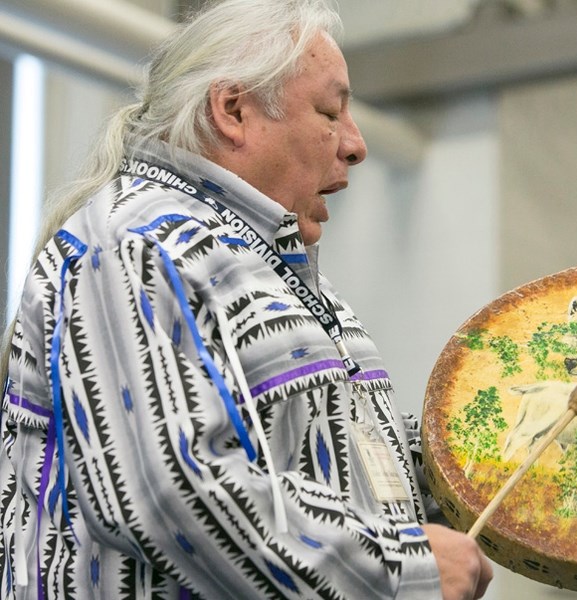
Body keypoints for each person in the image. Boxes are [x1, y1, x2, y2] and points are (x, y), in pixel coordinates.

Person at [0, 0, 493, 598]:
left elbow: (342, 463)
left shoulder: (273, 268)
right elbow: (164, 491)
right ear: (233, 110)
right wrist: (401, 571)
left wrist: (483, 458)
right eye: (330, 111)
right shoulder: (134, 243)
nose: (356, 144)